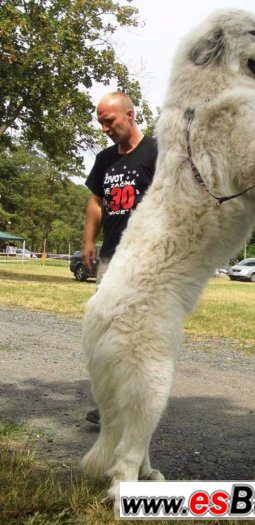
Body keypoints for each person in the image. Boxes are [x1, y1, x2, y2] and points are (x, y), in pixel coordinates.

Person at [82, 91, 157, 424]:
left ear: (130, 115)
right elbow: (96, 202)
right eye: (100, 122)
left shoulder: (157, 152)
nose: (104, 128)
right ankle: (110, 404)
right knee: (106, 332)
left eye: (108, 120)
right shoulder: (104, 159)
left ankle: (137, 405)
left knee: (137, 337)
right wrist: (88, 241)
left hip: (146, 260)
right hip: (110, 260)